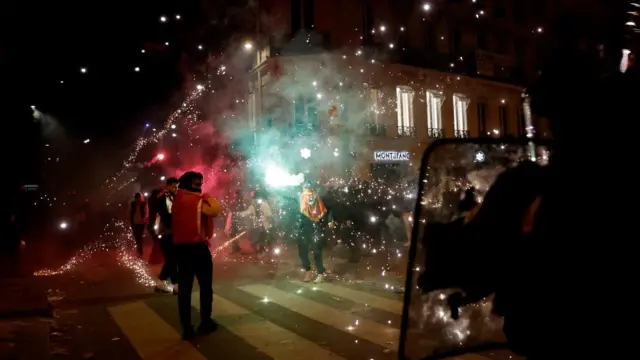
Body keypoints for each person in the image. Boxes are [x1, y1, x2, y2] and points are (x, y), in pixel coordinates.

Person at [172, 171, 222, 340]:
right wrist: (207, 196)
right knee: (205, 286)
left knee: (185, 290)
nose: (200, 187)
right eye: (198, 184)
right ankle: (205, 321)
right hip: (197, 249)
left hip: (181, 250)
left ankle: (187, 328)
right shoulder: (198, 201)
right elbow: (215, 209)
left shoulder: (177, 199)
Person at [297, 182, 333, 283]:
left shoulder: (320, 198)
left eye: (308, 187)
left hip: (316, 227)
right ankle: (308, 270)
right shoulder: (301, 198)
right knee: (302, 251)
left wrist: (330, 220)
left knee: (316, 251)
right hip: (303, 228)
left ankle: (321, 273)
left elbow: (328, 210)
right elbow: (298, 212)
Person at [155, 177, 179, 293]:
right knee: (172, 259)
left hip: (175, 232)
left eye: (177, 186)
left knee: (172, 259)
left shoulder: (176, 197)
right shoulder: (162, 198)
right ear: (168, 185)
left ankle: (160, 283)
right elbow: (165, 216)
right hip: (165, 233)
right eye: (173, 186)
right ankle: (176, 284)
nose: (175, 188)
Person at [238, 189, 274, 254]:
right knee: (259, 240)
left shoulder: (264, 205)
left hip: (264, 226)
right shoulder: (253, 206)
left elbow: (269, 215)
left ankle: (263, 252)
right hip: (257, 226)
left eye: (257, 198)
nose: (255, 200)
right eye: (255, 198)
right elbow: (248, 211)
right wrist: (240, 214)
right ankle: (262, 251)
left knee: (262, 240)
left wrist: (264, 217)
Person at [129, 192, 148, 258]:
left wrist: (144, 220)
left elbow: (146, 213)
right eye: (137, 199)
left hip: (141, 223)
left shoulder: (144, 204)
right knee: (137, 238)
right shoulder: (133, 204)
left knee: (139, 238)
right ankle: (139, 252)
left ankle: (140, 253)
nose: (138, 200)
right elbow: (131, 212)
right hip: (135, 223)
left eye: (139, 198)